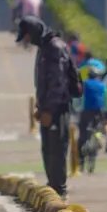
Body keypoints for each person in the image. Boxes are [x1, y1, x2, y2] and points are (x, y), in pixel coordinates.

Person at [16, 16, 77, 196]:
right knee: (48, 150)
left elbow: (58, 83)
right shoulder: (44, 48)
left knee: (57, 151)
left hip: (57, 110)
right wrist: (40, 108)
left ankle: (60, 192)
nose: (27, 41)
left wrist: (49, 110)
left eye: (27, 37)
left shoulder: (54, 48)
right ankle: (54, 187)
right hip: (48, 109)